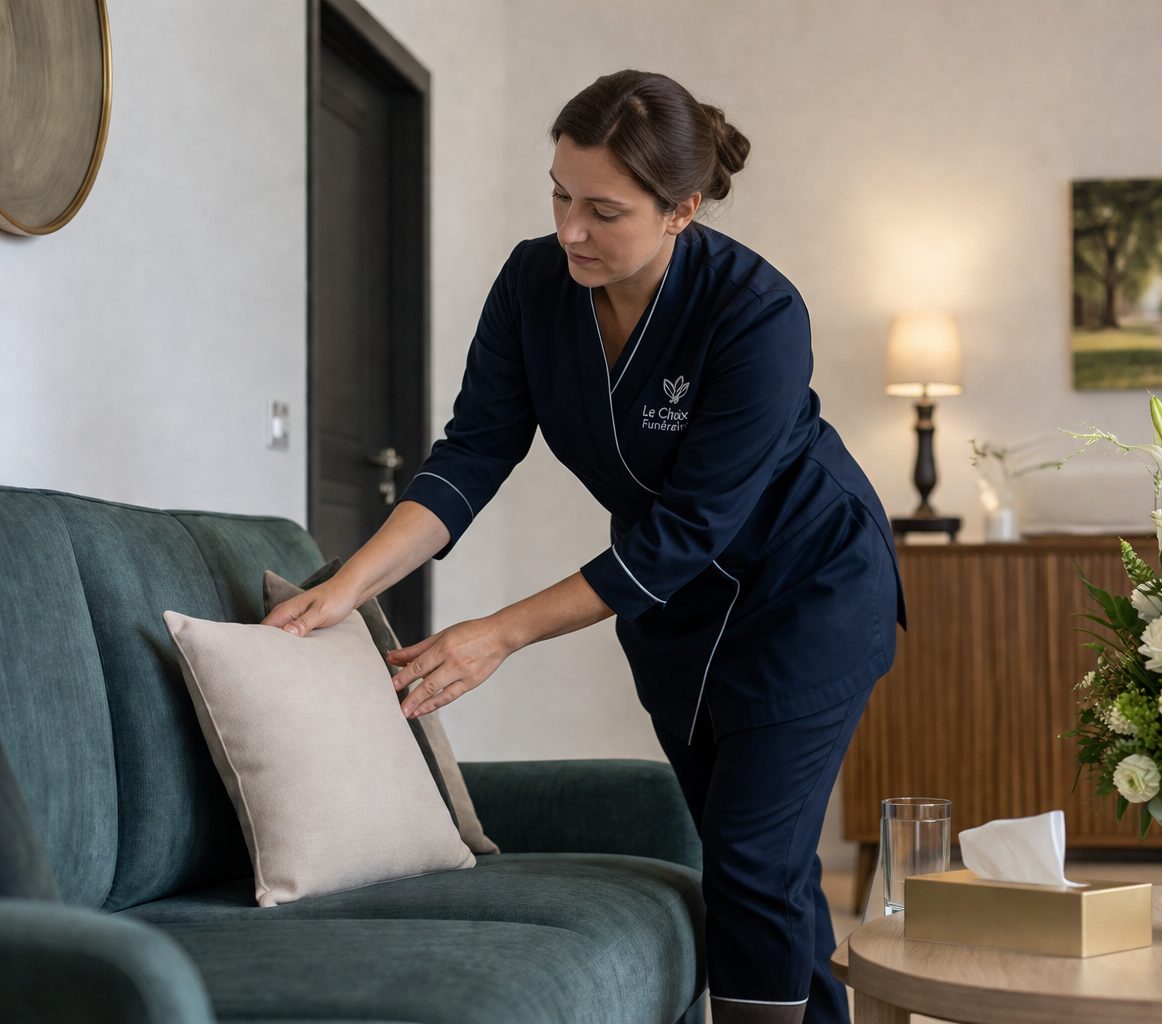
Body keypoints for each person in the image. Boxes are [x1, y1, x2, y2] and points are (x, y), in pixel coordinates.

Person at [263, 69, 906, 1024]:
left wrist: (500, 634)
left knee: (752, 861)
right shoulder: (534, 286)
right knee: (756, 864)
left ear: (681, 209)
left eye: (603, 210)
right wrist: (349, 583)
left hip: (809, 589)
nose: (571, 229)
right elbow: (473, 452)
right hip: (676, 612)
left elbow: (690, 528)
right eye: (560, 193)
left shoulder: (757, 314)